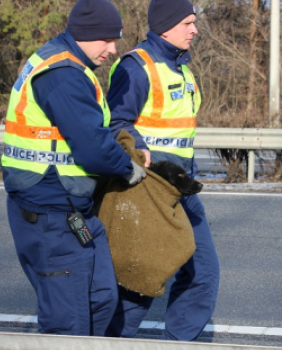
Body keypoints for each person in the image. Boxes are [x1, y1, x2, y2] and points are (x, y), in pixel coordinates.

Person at [1, 0, 146, 336]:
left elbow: (93, 129)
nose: (113, 50)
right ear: (84, 34)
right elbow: (93, 148)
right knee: (68, 321)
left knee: (100, 297)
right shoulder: (62, 75)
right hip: (50, 211)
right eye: (107, 40)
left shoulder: (70, 65)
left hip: (71, 209)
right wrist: (127, 168)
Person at [105, 0, 220, 341]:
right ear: (165, 25)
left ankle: (178, 343)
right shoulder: (135, 66)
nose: (195, 29)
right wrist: (143, 154)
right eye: (187, 23)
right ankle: (107, 343)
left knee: (202, 270)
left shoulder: (182, 69)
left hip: (179, 189)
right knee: (144, 278)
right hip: (149, 190)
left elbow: (180, 135)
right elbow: (116, 123)